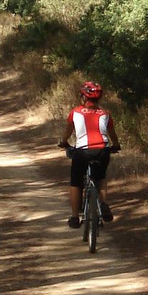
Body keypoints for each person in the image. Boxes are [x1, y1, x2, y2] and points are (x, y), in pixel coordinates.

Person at [60, 81, 120, 228]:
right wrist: (116, 146)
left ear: (83, 97)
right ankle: (103, 204)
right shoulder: (105, 114)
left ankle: (75, 217)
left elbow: (67, 132)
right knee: (100, 178)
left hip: (82, 152)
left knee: (76, 181)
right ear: (99, 99)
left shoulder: (75, 112)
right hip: (102, 151)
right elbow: (112, 134)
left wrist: (63, 142)